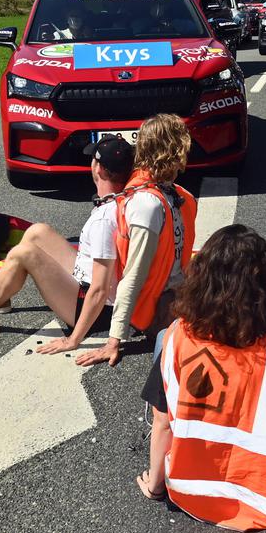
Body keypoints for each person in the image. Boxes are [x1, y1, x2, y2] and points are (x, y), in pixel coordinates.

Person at [137, 225, 266, 531]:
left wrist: (156, 486)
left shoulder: (175, 337)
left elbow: (162, 423)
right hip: (265, 502)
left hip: (188, 494)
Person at [0, 136, 134, 349]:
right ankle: (1, 294)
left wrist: (73, 340)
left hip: (93, 310)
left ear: (97, 168)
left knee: (23, 253)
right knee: (38, 232)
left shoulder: (105, 219)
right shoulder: (121, 199)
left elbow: (99, 289)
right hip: (91, 286)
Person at [76, 114, 198, 367]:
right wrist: (115, 338)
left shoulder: (157, 199)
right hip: (169, 306)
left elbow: (140, 273)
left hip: (170, 303)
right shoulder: (165, 200)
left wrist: (113, 339)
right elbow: (137, 274)